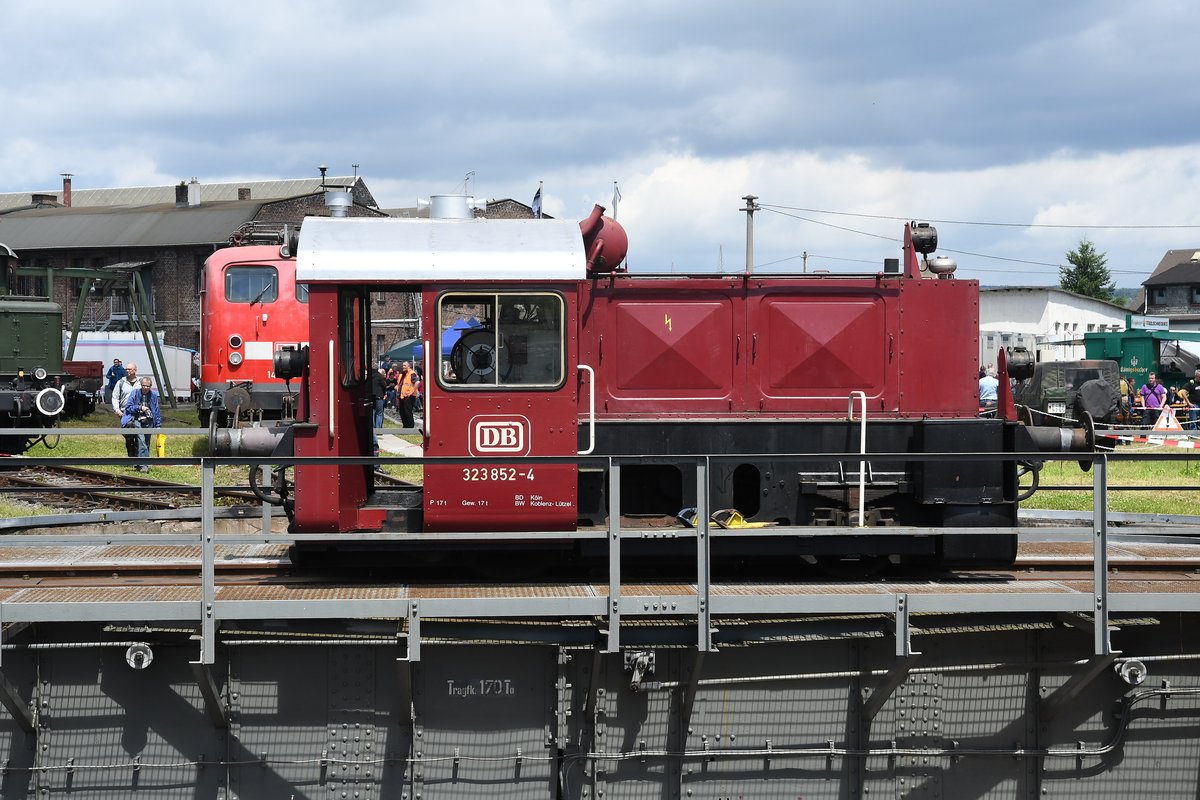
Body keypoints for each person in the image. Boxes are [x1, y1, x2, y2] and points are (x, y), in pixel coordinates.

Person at [121, 377, 162, 472]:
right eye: (144, 386)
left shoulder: (153, 395)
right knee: (141, 441)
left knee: (146, 443)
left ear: (151, 386)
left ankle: (139, 463)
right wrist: (140, 407)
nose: (145, 388)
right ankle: (144, 465)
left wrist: (158, 426)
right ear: (141, 385)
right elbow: (129, 407)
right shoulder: (135, 393)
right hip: (136, 420)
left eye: (148, 386)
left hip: (149, 421)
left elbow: (156, 411)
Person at [112, 362, 140, 457]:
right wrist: (117, 410)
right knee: (128, 436)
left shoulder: (141, 382)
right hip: (125, 413)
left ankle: (138, 457)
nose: (127, 371)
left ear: (135, 371)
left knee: (139, 436)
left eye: (129, 369)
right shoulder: (121, 382)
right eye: (126, 369)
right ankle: (131, 457)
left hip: (138, 412)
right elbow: (115, 397)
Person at [369, 367, 389, 455]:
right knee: (379, 414)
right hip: (379, 397)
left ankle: (373, 429)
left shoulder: (369, 377)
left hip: (371, 397)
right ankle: (379, 430)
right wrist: (384, 392)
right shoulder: (379, 376)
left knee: (373, 413)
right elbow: (384, 385)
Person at [397, 360, 417, 429]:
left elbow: (416, 383)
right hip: (401, 396)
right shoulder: (402, 374)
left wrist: (410, 393)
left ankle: (410, 427)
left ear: (409, 366)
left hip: (409, 396)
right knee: (402, 412)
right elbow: (400, 384)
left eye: (405, 365)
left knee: (407, 412)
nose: (403, 367)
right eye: (403, 365)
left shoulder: (412, 373)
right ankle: (405, 426)